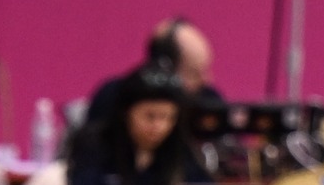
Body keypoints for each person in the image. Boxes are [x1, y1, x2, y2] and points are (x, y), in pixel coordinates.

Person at [67, 68, 209, 185]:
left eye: (167, 117)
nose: (159, 126)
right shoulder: (95, 145)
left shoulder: (182, 149)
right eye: (150, 116)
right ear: (126, 113)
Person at [82, 16, 221, 137]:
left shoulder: (209, 99)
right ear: (164, 68)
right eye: (194, 73)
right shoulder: (114, 97)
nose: (207, 80)